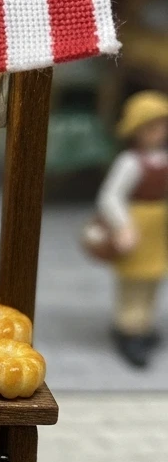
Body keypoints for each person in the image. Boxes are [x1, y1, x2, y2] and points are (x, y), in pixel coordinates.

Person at [95, 90, 168, 368]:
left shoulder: (163, 160)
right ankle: (128, 329)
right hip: (137, 226)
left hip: (158, 228)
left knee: (152, 279)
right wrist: (123, 225)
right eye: (152, 127)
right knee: (133, 282)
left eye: (162, 126)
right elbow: (110, 197)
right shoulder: (130, 162)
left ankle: (143, 325)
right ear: (137, 130)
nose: (159, 132)